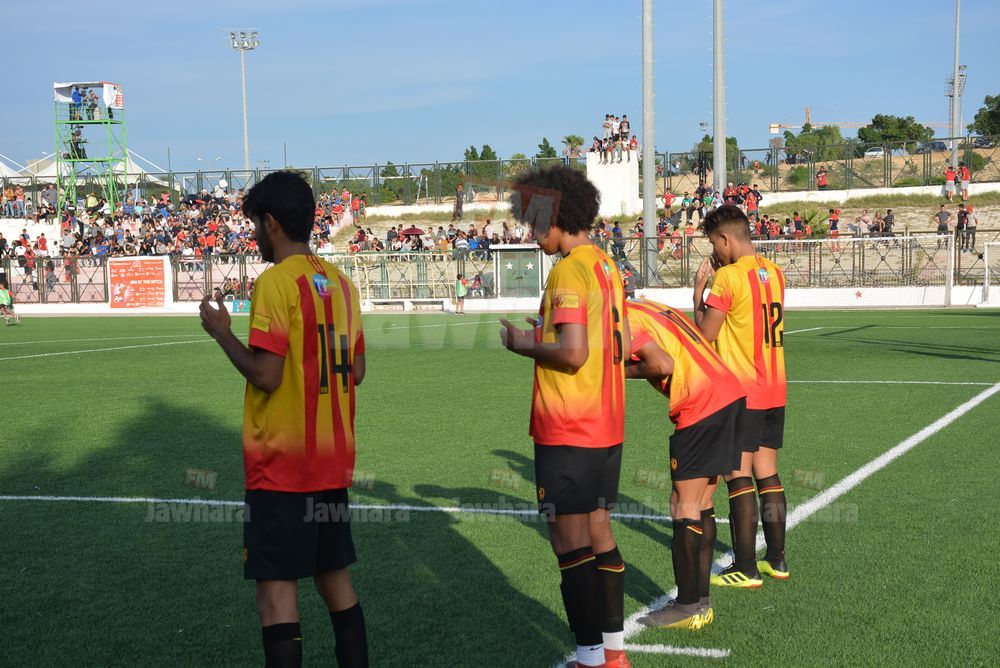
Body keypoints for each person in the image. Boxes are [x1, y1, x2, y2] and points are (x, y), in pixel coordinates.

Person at [198, 171, 369, 668]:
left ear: (271, 222)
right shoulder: (342, 285)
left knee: (276, 596)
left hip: (283, 467)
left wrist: (222, 333)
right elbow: (357, 371)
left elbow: (266, 375)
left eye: (255, 223)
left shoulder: (275, 282)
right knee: (335, 581)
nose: (254, 233)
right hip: (332, 462)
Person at [499, 164, 631, 668]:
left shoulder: (568, 270)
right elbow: (608, 344)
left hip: (569, 426)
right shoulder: (606, 266)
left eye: (534, 223)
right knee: (599, 531)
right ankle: (613, 653)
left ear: (554, 216)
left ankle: (589, 657)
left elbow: (573, 354)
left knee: (569, 541)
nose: (531, 234)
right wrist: (546, 333)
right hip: (606, 423)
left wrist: (524, 344)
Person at [626, 298, 747, 630]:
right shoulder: (647, 306)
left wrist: (614, 372)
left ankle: (687, 605)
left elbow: (661, 364)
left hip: (702, 402)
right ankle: (700, 601)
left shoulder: (620, 317)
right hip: (729, 393)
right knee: (702, 501)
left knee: (684, 504)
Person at [693, 205, 788, 589]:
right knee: (768, 472)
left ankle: (745, 567)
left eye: (714, 243)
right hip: (775, 386)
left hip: (742, 391)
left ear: (725, 238)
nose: (714, 251)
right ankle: (777, 560)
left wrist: (698, 294)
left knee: (737, 474)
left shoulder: (727, 278)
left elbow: (705, 335)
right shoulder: (775, 272)